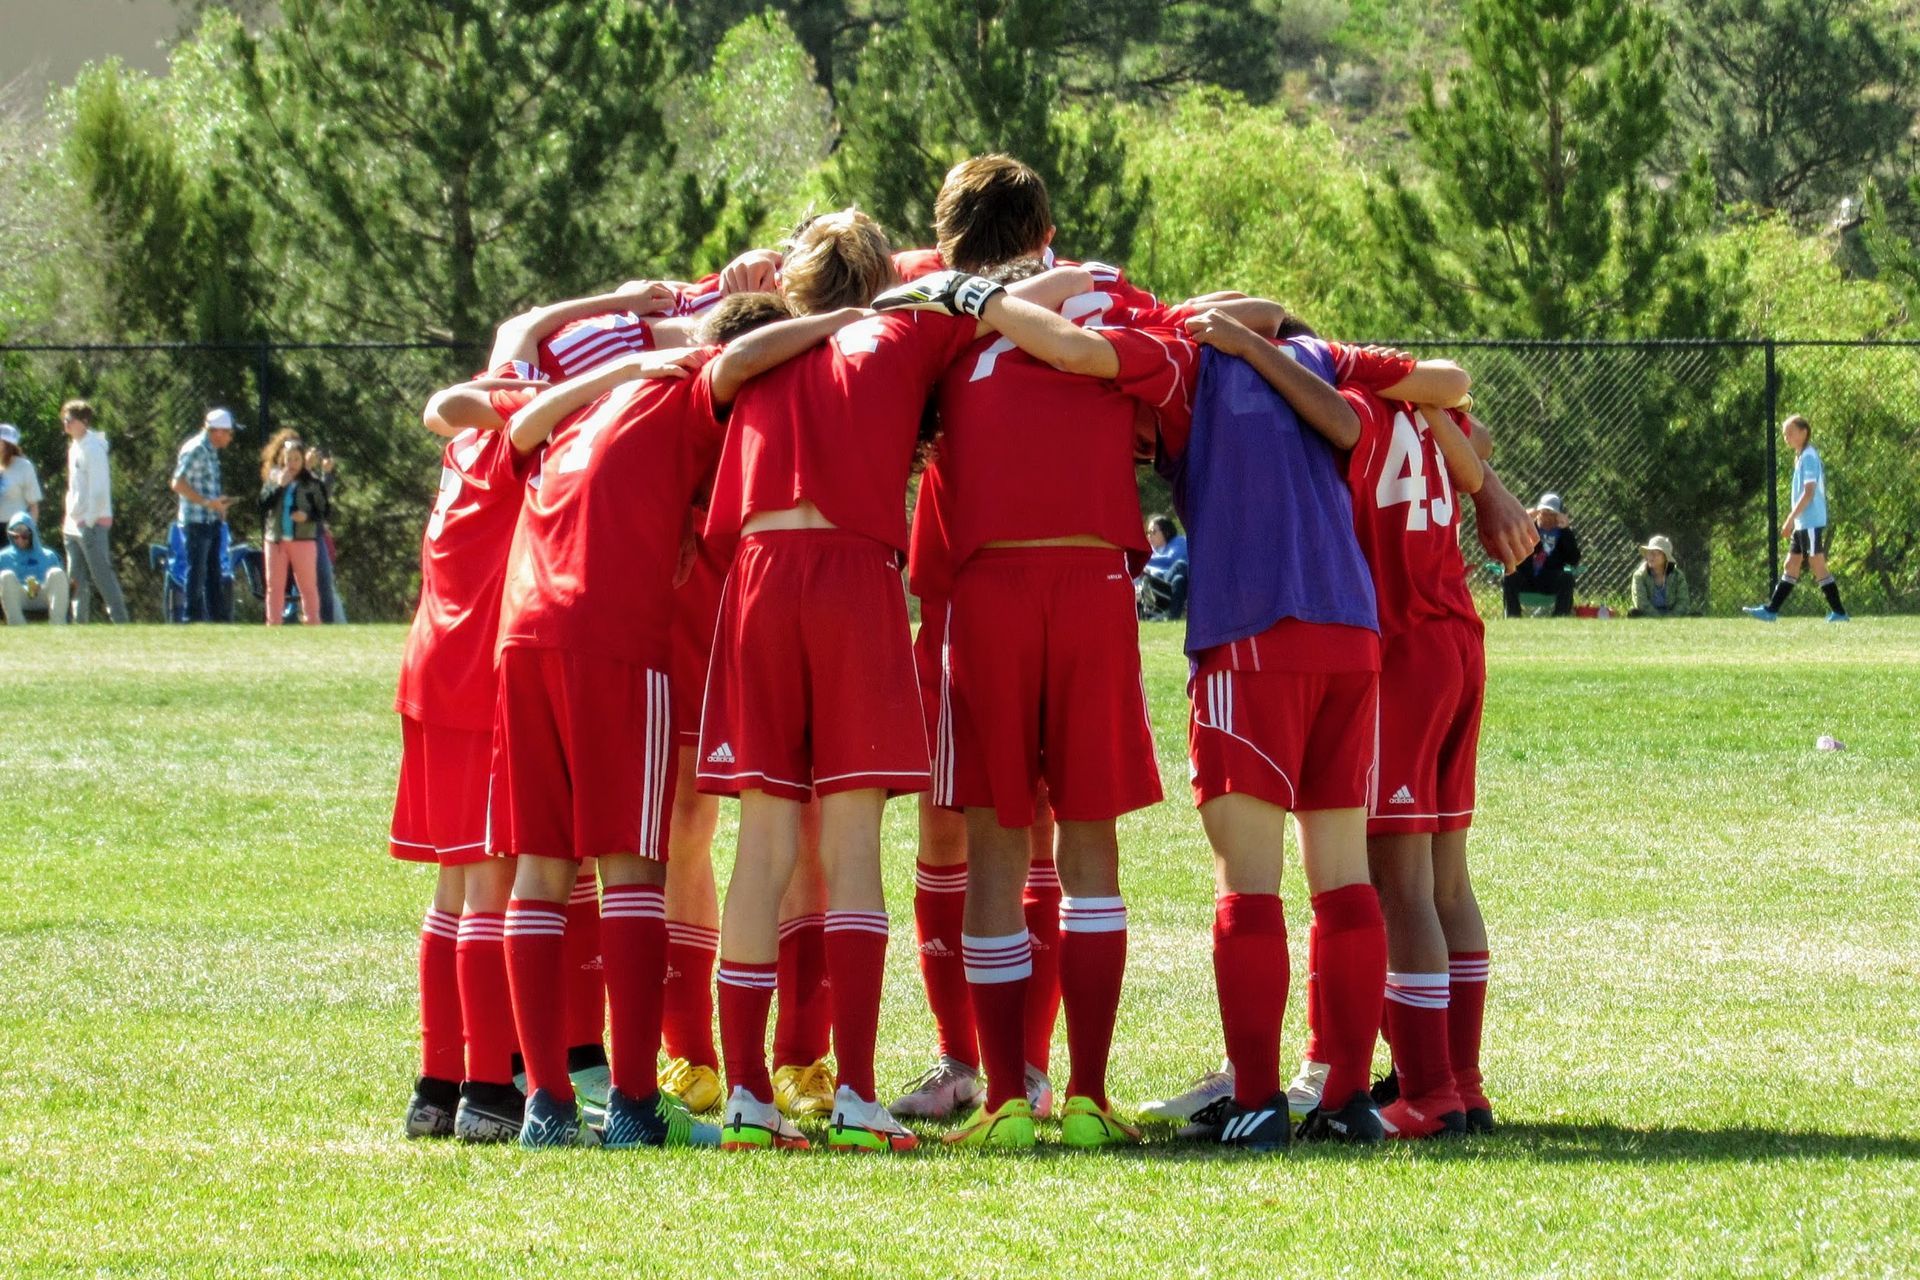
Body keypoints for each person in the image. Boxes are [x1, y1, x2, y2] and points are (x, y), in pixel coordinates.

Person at [489, 294, 833, 1149]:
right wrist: (843, 320)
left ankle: (547, 1105)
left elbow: (515, 429)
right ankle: (637, 1104)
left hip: (522, 629)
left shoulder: (601, 395)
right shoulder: (691, 383)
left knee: (540, 869)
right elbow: (740, 363)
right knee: (632, 869)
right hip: (612, 636)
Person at [394, 359, 547, 1142]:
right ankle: (489, 1088)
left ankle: (437, 1085)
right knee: (488, 888)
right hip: (477, 675)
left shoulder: (463, 442)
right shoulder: (511, 441)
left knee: (453, 891)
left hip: (431, 667)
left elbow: (445, 403)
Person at [1746, 414, 1849, 622]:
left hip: (1809, 520)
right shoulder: (1801, 456)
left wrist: (1791, 518)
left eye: (1790, 433)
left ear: (1804, 432)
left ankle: (1839, 612)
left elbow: (1809, 492)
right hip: (1803, 522)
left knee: (1817, 564)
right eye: (1785, 434)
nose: (1787, 437)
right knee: (1791, 564)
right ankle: (1771, 610)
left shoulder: (1809, 456)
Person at [59, 401, 129, 624]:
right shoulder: (74, 446)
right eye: (65, 419)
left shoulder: (93, 448)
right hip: (72, 524)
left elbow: (99, 491)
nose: (66, 424)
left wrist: (87, 521)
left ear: (85, 422)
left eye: (71, 420)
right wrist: (70, 520)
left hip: (91, 523)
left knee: (102, 576)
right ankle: (80, 624)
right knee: (75, 579)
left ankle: (121, 622)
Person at [170, 408, 239, 622]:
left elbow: (204, 484)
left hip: (211, 520)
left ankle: (218, 618)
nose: (230, 437)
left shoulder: (211, 450)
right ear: (217, 431)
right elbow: (177, 483)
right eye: (229, 433)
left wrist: (219, 504)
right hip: (196, 521)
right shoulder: (197, 450)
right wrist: (208, 503)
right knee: (197, 571)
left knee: (213, 571)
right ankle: (192, 617)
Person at [258, 433, 330, 626]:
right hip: (276, 540)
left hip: (303, 539)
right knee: (274, 585)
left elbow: (324, 510)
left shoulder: (312, 483)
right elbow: (263, 504)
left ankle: (312, 621)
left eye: (296, 459)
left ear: (303, 459)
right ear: (282, 459)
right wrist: (279, 487)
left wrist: (307, 517)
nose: (292, 463)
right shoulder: (274, 478)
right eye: (288, 459)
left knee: (307, 585)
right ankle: (273, 622)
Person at [1502, 492, 1580, 616]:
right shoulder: (1529, 529)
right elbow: (1512, 547)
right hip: (1528, 577)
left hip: (1549, 578)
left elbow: (1574, 560)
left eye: (1552, 515)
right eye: (1544, 514)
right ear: (1538, 514)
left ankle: (1560, 616)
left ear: (1558, 516)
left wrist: (1566, 530)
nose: (1547, 518)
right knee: (1510, 575)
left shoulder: (1564, 534)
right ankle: (1513, 615)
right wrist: (1523, 521)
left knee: (1567, 578)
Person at [0, 512, 69, 625]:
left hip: (43, 595)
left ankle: (58, 624)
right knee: (5, 575)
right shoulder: (3, 557)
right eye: (15, 536)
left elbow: (57, 586)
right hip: (19, 596)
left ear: (32, 534)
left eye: (24, 536)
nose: (20, 540)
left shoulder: (49, 555)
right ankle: (17, 625)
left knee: (57, 573)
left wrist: (39, 585)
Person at [1139, 514, 1189, 619]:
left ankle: (1172, 616)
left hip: (1170, 583)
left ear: (1166, 531)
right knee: (1180, 572)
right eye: (1148, 533)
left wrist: (1144, 560)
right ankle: (1173, 615)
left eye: (1153, 532)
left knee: (1179, 573)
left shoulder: (1179, 542)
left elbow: (1170, 559)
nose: (1149, 536)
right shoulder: (1150, 551)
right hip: (1157, 584)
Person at [1629, 535, 1692, 617]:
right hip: (1647, 617)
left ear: (1665, 557)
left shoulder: (1678, 576)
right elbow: (1641, 602)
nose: (1650, 557)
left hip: (1673, 617)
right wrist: (1658, 619)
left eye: (1655, 553)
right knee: (1633, 613)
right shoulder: (1639, 576)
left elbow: (1683, 602)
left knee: (1696, 616)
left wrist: (1671, 618)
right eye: (1649, 553)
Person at [0, 423, 43, 523]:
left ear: (6, 444)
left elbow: (33, 506)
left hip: (15, 528)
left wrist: (28, 532)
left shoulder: (24, 466)